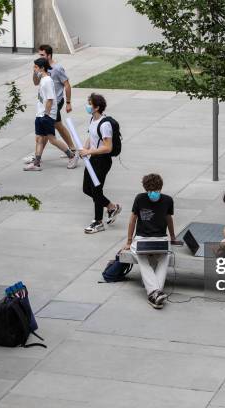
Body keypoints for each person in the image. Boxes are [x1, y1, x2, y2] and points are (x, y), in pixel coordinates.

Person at [123, 174, 176, 309]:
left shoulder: (141, 198)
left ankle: (154, 292)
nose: (154, 193)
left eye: (155, 190)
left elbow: (132, 220)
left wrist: (129, 242)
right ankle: (156, 292)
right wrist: (173, 238)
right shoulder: (166, 199)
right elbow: (169, 219)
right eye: (151, 191)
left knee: (142, 259)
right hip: (159, 240)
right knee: (165, 257)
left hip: (144, 240)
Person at [25, 44, 79, 169]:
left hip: (52, 107)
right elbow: (35, 83)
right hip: (42, 111)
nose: (41, 57)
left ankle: (71, 154)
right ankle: (37, 161)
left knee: (51, 137)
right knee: (44, 135)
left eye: (42, 55)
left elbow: (65, 86)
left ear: (49, 55)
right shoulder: (42, 74)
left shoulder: (54, 72)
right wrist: (34, 73)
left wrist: (67, 103)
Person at [79, 93, 121, 233]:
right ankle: (111, 207)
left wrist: (89, 152)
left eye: (89, 104)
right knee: (87, 189)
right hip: (93, 159)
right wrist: (85, 148)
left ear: (96, 107)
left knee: (96, 191)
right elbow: (91, 136)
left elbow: (107, 147)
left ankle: (98, 222)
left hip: (102, 161)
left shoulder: (105, 125)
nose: (87, 106)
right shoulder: (93, 119)